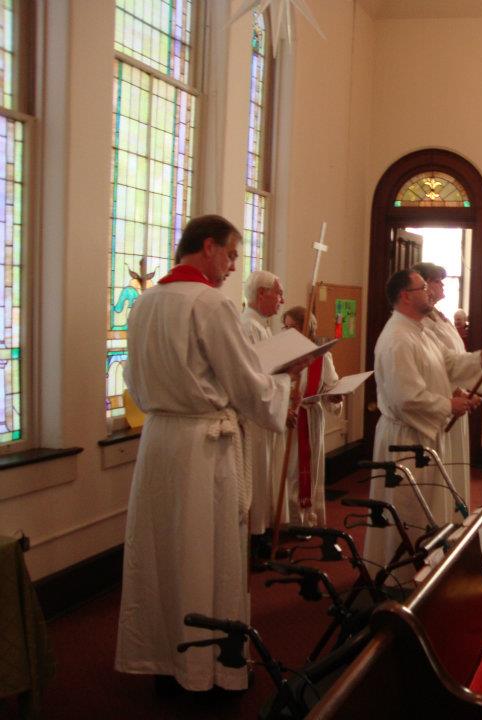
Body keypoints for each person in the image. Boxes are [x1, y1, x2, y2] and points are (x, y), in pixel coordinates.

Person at [115, 215, 306, 692]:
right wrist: (283, 386)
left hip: (160, 441)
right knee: (204, 550)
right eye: (231, 255)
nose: (231, 268)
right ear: (208, 247)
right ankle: (205, 670)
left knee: (163, 551)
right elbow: (245, 383)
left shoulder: (143, 304)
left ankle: (164, 656)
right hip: (203, 445)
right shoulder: (209, 304)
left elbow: (134, 382)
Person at [364, 269, 482, 579]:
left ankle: (428, 571)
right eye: (422, 289)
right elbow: (407, 398)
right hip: (405, 438)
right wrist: (449, 405)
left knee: (428, 505)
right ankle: (399, 577)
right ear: (405, 295)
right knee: (407, 508)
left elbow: (450, 363)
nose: (430, 293)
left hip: (424, 433)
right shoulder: (397, 339)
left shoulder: (420, 330)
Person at [413, 262, 478, 511]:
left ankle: (456, 513)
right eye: (438, 281)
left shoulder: (440, 317)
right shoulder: (422, 324)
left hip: (456, 397)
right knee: (442, 468)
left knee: (456, 461)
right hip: (443, 400)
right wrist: (452, 394)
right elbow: (436, 365)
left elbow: (454, 357)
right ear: (425, 284)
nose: (443, 286)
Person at [281, 305, 343, 525]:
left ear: (307, 329)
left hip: (310, 417)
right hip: (286, 418)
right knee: (288, 471)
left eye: (292, 327)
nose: (287, 332)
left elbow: (330, 388)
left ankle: (307, 517)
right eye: (285, 327)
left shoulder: (321, 356)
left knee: (308, 470)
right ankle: (287, 519)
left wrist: (335, 398)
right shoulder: (281, 355)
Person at [240, 270, 287, 551]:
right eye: (278, 293)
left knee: (267, 473)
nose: (283, 299)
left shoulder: (264, 326)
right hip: (255, 415)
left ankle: (265, 531)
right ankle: (255, 539)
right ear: (262, 294)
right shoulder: (247, 326)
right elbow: (255, 374)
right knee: (256, 476)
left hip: (268, 410)